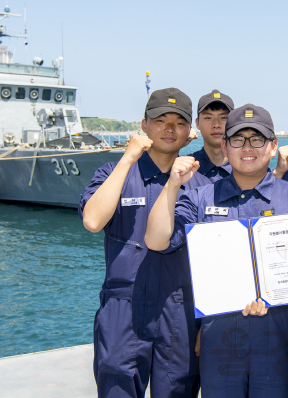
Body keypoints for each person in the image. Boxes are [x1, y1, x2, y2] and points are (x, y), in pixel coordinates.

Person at [145, 103, 288, 398]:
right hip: (219, 344)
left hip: (279, 343)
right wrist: (171, 185)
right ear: (225, 146)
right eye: (237, 139)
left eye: (257, 139)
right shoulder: (199, 197)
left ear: (272, 146)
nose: (247, 147)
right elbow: (157, 241)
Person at [79, 88, 211, 398]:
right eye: (160, 120)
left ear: (189, 130)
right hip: (122, 308)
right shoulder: (114, 173)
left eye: (178, 122)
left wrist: (206, 324)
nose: (168, 129)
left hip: (178, 312)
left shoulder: (201, 185)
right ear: (144, 124)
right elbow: (93, 221)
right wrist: (128, 158)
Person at [190, 89, 234, 182]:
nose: (216, 125)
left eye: (223, 118)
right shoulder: (183, 168)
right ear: (197, 123)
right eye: (208, 118)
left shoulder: (247, 169)